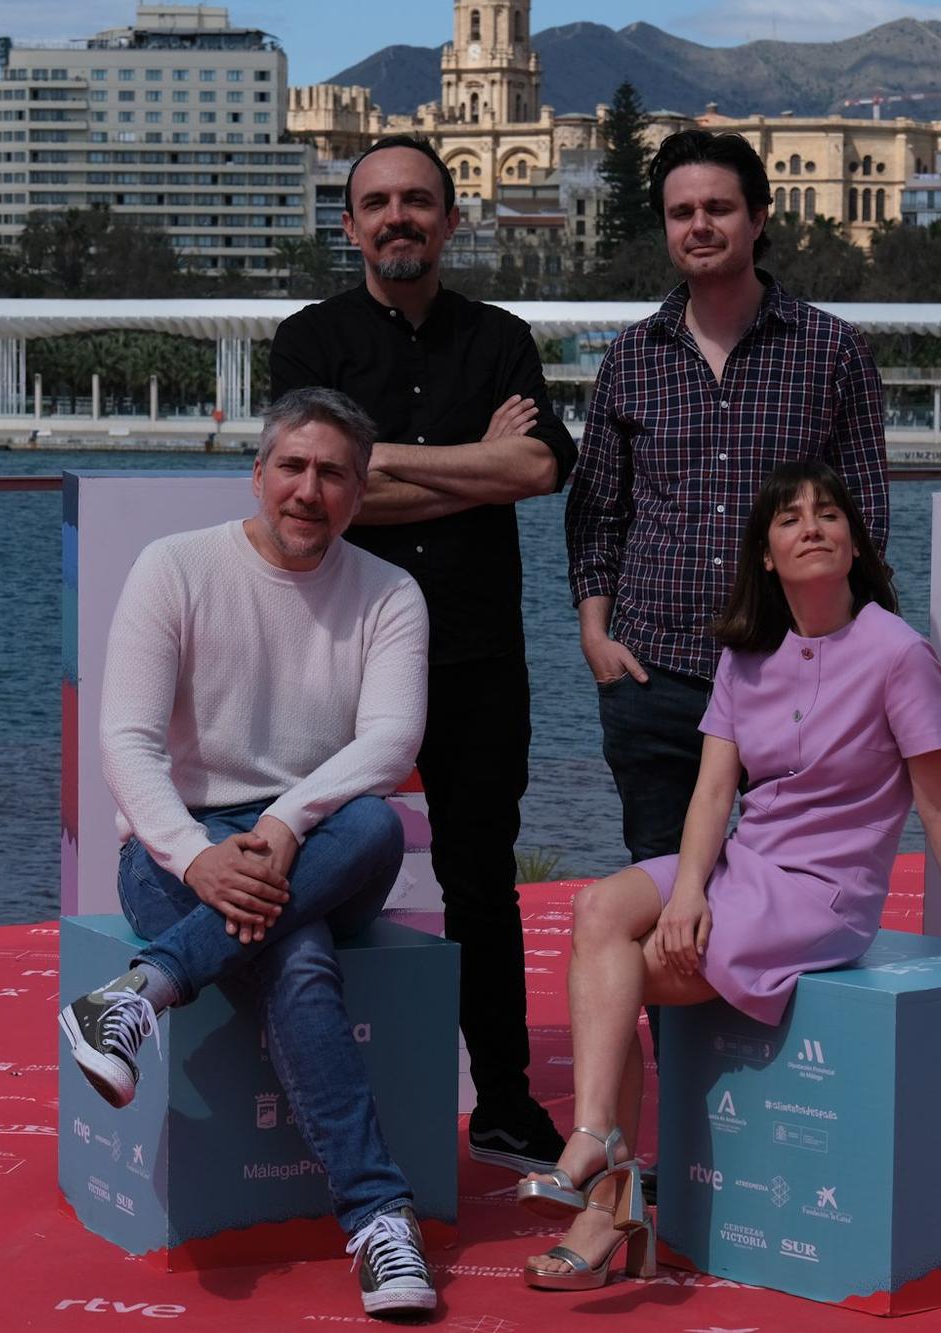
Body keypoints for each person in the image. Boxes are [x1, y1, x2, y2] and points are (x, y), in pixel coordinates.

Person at [518, 459, 941, 1291]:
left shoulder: (897, 653)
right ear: (766, 555)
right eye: (789, 517)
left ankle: (603, 1193)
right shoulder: (747, 655)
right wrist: (693, 886)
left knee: (621, 971)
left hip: (823, 894)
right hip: (742, 866)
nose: (812, 524)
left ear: (853, 543)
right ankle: (604, 1146)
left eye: (828, 513)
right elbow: (711, 792)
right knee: (601, 909)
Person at [56, 387, 438, 1319]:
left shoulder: (390, 593)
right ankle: (382, 1220)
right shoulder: (175, 567)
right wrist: (195, 856)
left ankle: (141, 993)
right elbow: (127, 744)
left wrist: (284, 824)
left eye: (334, 473)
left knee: (378, 821)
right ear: (258, 473)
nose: (310, 489)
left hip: (321, 838)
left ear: (359, 492)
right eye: (294, 467)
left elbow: (390, 744)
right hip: (177, 838)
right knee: (297, 957)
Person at [271, 132, 578, 1177]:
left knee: (479, 880)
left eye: (417, 202)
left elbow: (539, 468)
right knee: (309, 860)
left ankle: (502, 1101)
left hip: (475, 652)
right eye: (376, 203)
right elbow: (311, 491)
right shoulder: (306, 339)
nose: (396, 218)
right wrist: (473, 466)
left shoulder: (499, 337)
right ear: (349, 224)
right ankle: (308, 1089)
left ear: (450, 220)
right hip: (333, 649)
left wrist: (381, 459)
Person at [566, 128, 890, 872]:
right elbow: (596, 512)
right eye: (682, 213)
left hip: (791, 676)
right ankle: (678, 1000)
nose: (699, 226)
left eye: (718, 207)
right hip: (654, 677)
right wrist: (595, 634)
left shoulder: (831, 350)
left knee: (796, 888)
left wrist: (847, 656)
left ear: (760, 216)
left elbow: (865, 516)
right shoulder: (631, 356)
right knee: (665, 900)